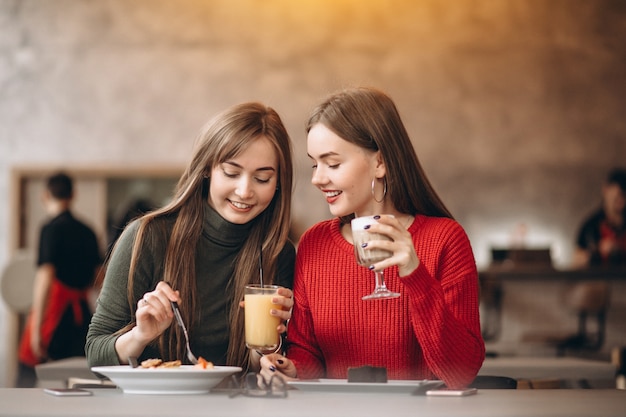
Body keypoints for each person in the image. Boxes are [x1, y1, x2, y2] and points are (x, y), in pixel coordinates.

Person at [259, 87, 485, 389]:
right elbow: (309, 355)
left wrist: (415, 275)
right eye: (315, 164)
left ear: (380, 163)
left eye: (333, 163)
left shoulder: (445, 239)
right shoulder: (314, 244)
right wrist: (293, 369)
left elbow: (461, 373)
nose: (317, 178)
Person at [86, 102, 295, 373]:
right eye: (231, 173)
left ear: (279, 183)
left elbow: (258, 367)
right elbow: (95, 351)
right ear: (207, 169)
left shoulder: (277, 252)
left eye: (262, 179)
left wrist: (269, 350)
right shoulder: (147, 237)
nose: (245, 191)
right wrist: (140, 335)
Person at [18, 172, 102, 387]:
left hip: (55, 314)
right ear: (73, 195)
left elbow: (45, 278)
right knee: (80, 377)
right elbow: (99, 279)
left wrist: (36, 329)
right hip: (81, 315)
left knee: (31, 375)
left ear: (45, 195)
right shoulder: (88, 231)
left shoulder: (49, 229)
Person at [573, 168, 626, 268]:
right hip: (597, 281)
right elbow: (576, 261)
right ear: (606, 190)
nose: (621, 202)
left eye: (623, 197)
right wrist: (596, 252)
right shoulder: (590, 227)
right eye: (617, 197)